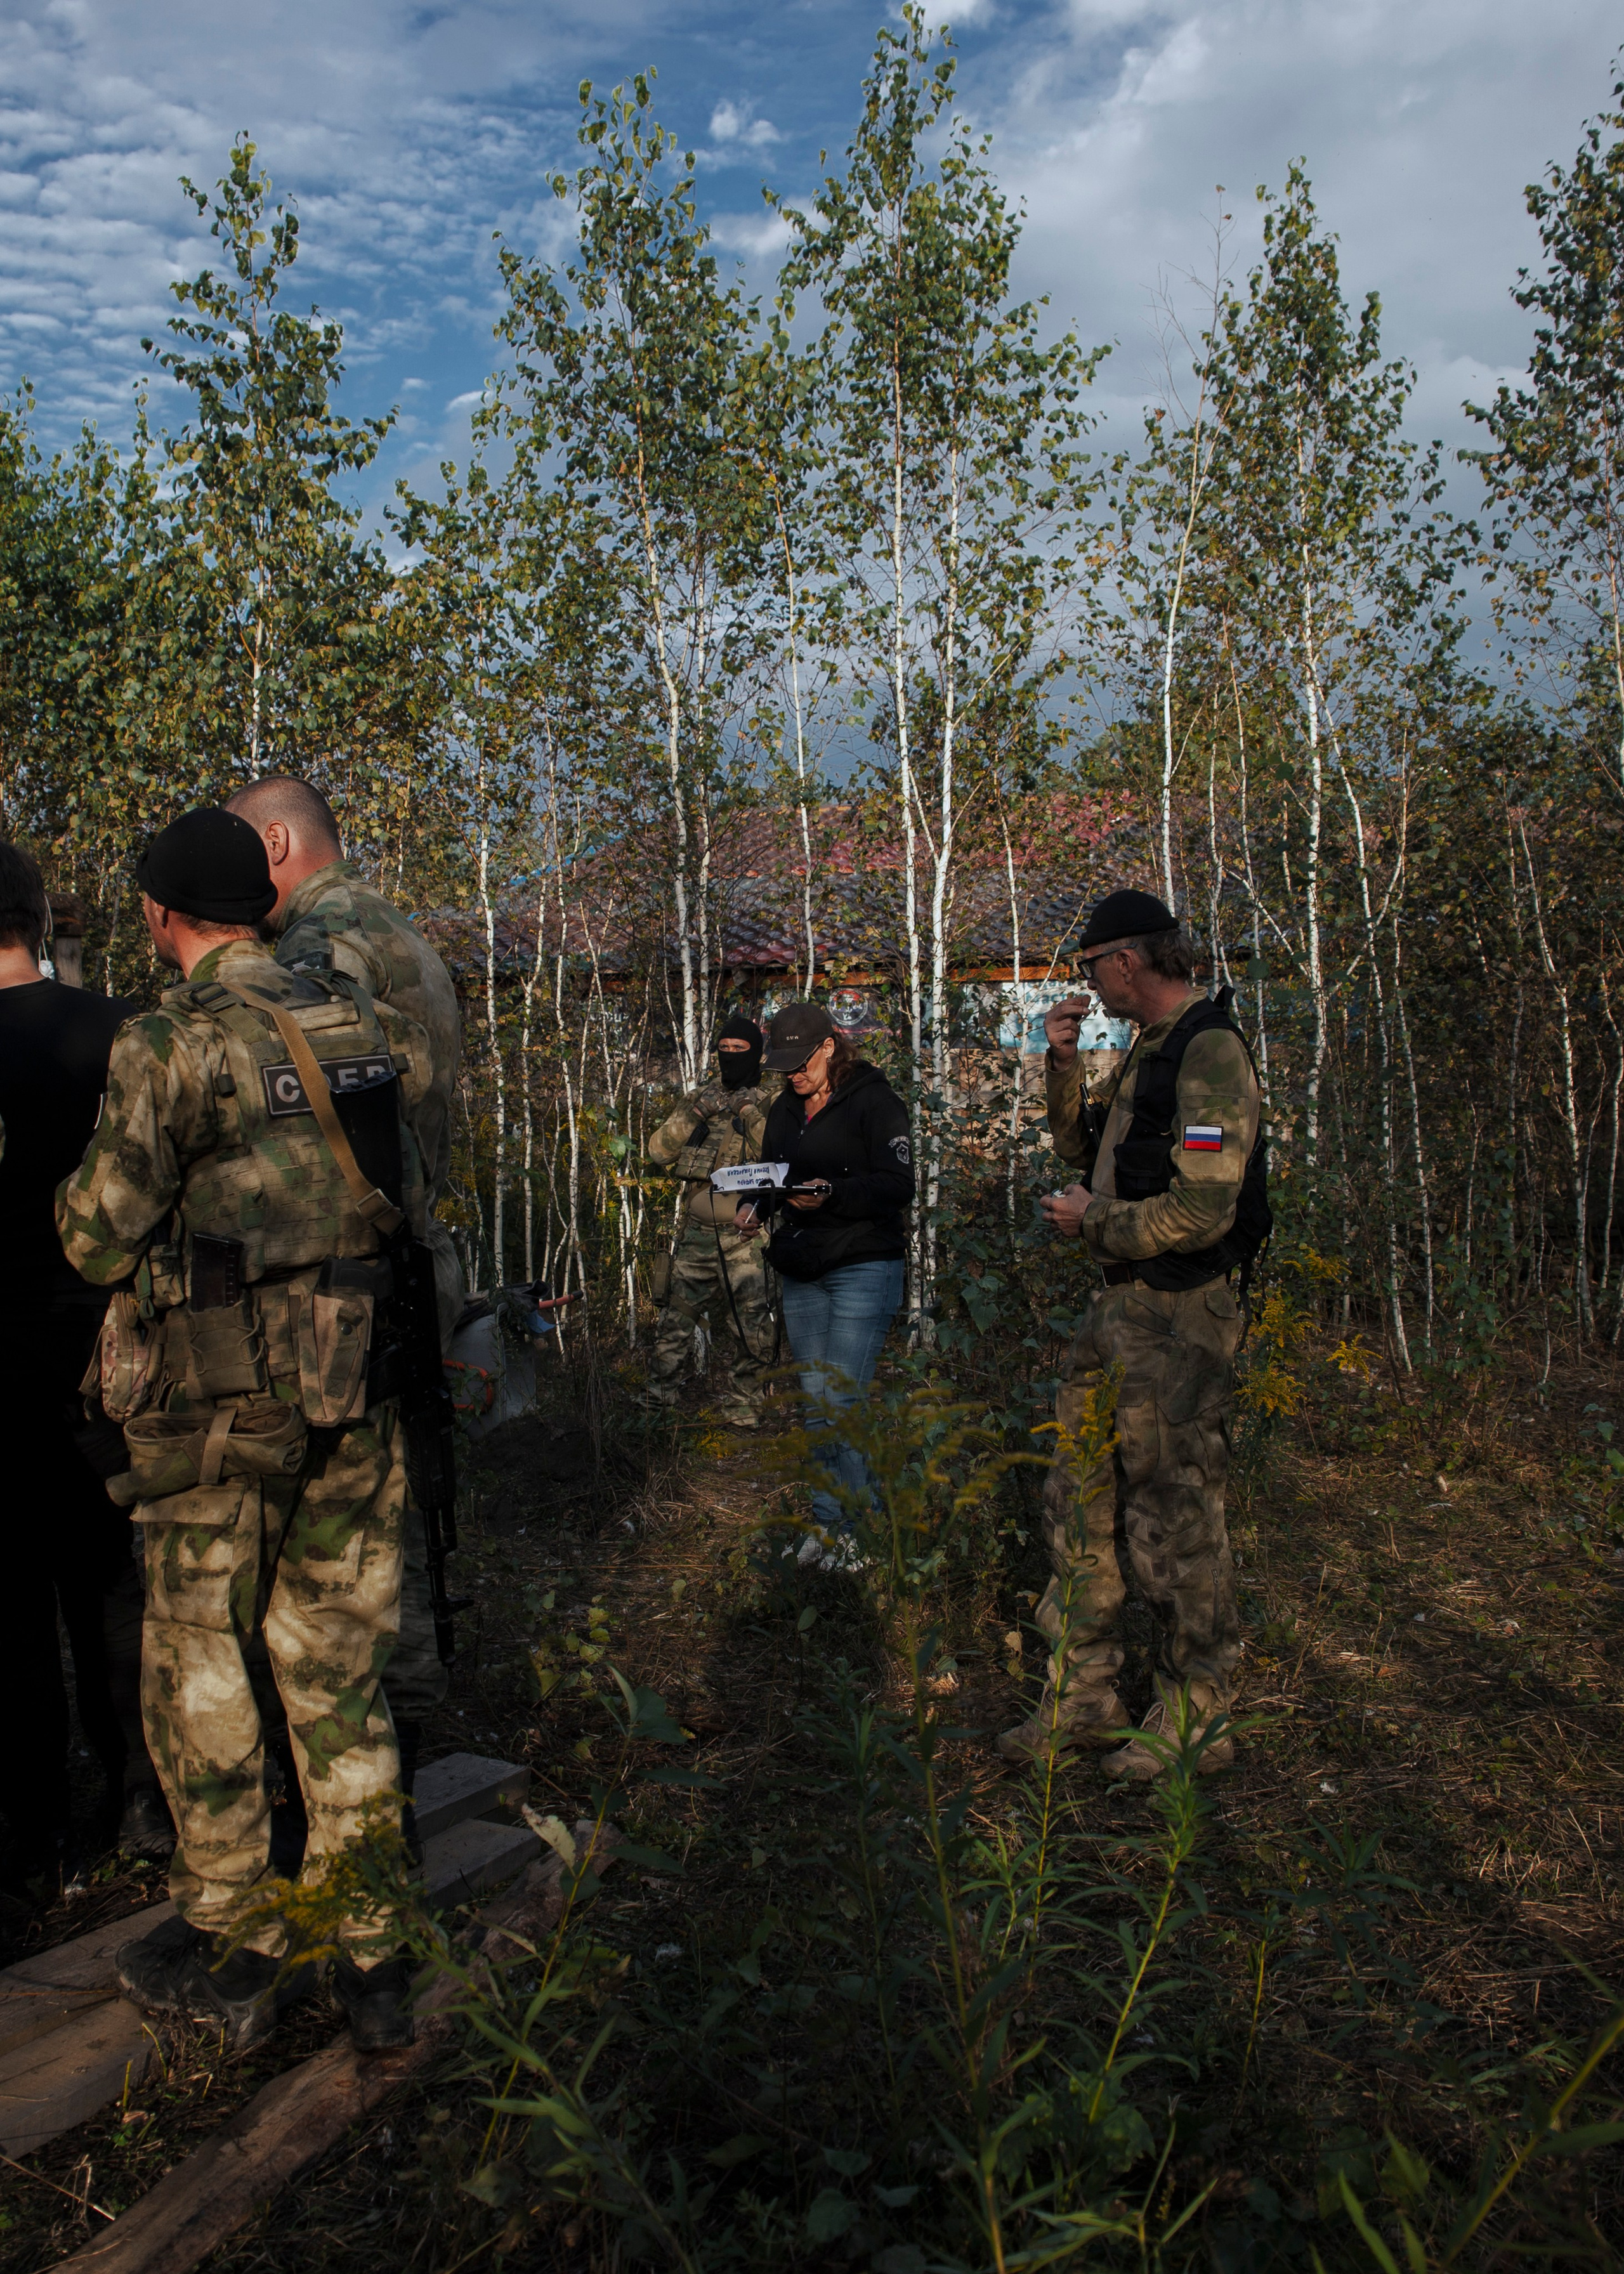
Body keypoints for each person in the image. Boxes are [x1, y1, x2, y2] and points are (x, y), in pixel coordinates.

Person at [57, 808, 433, 2051]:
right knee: (337, 1655)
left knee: (201, 1655)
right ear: (260, 905)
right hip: (353, 1382)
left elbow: (97, 1230)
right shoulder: (350, 1018)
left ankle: (234, 1925)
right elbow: (402, 1195)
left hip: (218, 1405)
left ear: (165, 917)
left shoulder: (164, 1041)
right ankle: (374, 1944)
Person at [224, 775, 462, 1808]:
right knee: (396, 1498)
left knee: (354, 1516)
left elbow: (327, 1115)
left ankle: (372, 1739)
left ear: (276, 842)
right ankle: (401, 1716)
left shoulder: (323, 951)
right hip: (413, 1247)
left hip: (365, 1264)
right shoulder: (390, 925)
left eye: (240, 849)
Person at [999, 888, 1266, 1781]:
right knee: (1078, 1500)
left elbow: (1203, 1206)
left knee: (1173, 1514)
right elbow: (1087, 1155)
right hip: (1119, 1309)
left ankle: (1197, 1715)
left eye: (1090, 969)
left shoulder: (1209, 1051)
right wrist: (1063, 1062)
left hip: (1179, 1316)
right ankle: (1084, 1702)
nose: (1088, 985)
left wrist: (1095, 1225)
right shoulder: (1152, 1050)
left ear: (1126, 961)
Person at [0, 844, 163, 1885]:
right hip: (114, 1350)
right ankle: (143, 1797)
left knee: (13, 1605)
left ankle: (38, 1831)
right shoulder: (124, 1032)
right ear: (36, 915)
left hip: (3, 1362)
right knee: (119, 1589)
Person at [740, 1002, 915, 1569]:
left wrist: (833, 1194)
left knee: (842, 1399)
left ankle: (859, 1532)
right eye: (784, 1064)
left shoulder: (876, 1101)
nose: (793, 1073)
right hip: (804, 1267)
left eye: (801, 1061)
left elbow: (897, 1185)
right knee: (815, 1403)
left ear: (830, 1047)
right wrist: (754, 1207)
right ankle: (826, 1524)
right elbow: (771, 1176)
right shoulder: (784, 1111)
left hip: (865, 1263)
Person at [645, 1015, 778, 1428]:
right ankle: (657, 1398)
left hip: (748, 1233)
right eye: (726, 1048)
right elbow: (658, 1151)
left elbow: (777, 1153)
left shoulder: (774, 1098)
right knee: (675, 1318)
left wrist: (749, 1109)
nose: (731, 1056)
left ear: (757, 1053)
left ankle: (745, 1405)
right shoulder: (700, 1098)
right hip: (697, 1235)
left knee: (752, 1323)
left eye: (742, 1049)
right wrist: (697, 1113)